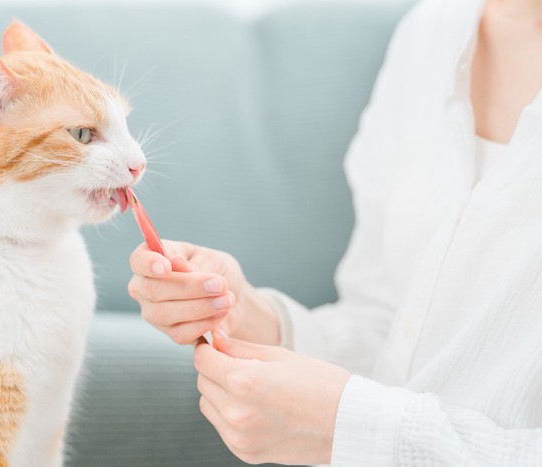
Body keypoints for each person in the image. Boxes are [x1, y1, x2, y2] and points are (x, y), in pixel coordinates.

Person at [128, 0, 542, 464]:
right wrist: (251, 314)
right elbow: (388, 327)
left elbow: (360, 420)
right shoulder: (431, 35)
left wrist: (353, 428)